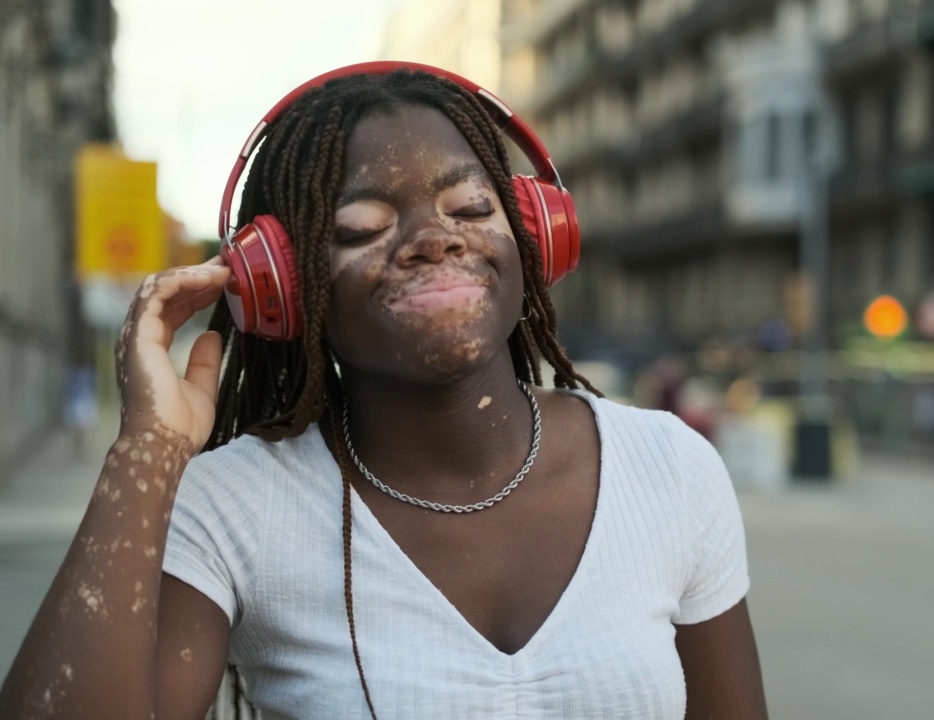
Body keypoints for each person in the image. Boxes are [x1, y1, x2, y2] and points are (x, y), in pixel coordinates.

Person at [0, 65, 766, 719]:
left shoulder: (671, 469)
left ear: (535, 238)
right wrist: (147, 454)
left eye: (470, 208)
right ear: (283, 288)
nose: (435, 238)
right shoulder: (233, 508)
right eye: (362, 227)